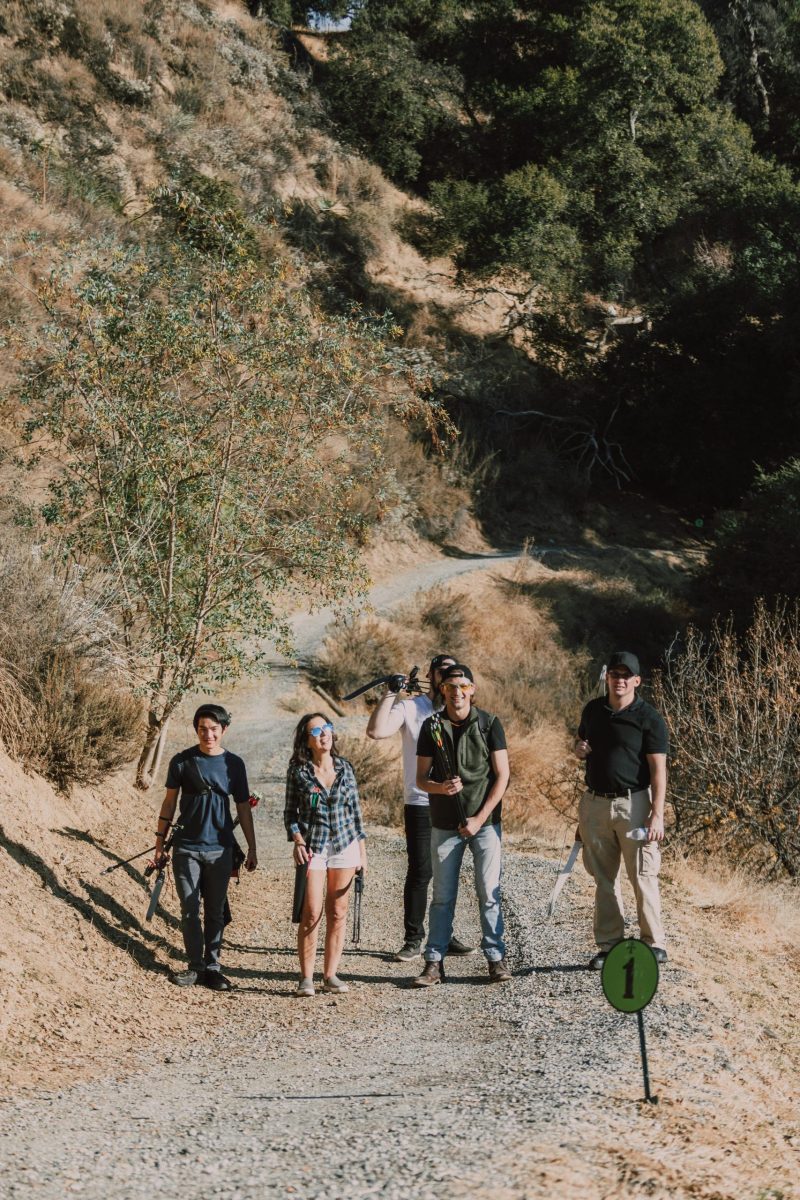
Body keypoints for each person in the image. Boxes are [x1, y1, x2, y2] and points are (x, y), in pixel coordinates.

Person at [366, 654, 475, 962]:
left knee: (448, 872)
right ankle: (413, 938)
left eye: (454, 674)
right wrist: (390, 692)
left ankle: (445, 934)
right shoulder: (412, 708)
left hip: (454, 802)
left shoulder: (460, 711)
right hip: (420, 800)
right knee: (420, 871)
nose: (447, 678)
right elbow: (375, 732)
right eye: (442, 671)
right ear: (431, 675)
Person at [412, 664, 511, 986]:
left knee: (489, 893)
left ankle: (496, 959)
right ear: (443, 691)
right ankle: (433, 963)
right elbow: (420, 779)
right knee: (442, 896)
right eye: (451, 687)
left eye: (463, 687)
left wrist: (479, 819)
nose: (457, 693)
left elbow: (502, 775)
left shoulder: (489, 724)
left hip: (484, 825)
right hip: (444, 824)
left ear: (473, 690)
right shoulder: (432, 727)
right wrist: (440, 788)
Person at [574, 651, 668, 969]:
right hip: (595, 803)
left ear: (637, 681)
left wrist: (657, 813)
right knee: (603, 878)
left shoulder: (649, 718)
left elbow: (659, 770)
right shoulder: (593, 710)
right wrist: (579, 749)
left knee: (642, 874)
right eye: (615, 674)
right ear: (608, 678)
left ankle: (653, 943)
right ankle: (609, 945)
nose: (620, 680)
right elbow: (581, 743)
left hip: (635, 804)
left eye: (626, 675)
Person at [153, 704, 257, 990]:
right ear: (196, 730)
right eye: (202, 729)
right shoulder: (182, 761)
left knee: (214, 911)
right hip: (186, 848)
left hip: (220, 849)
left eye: (213, 729)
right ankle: (195, 967)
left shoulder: (234, 764)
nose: (208, 734)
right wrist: (159, 845)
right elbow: (169, 803)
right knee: (189, 910)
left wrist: (252, 847)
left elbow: (243, 808)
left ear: (224, 729)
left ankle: (213, 966)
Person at [284, 712, 367, 997]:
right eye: (316, 730)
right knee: (311, 913)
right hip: (313, 847)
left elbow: (356, 814)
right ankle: (306, 978)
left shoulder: (345, 768)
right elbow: (290, 813)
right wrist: (296, 840)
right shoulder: (298, 771)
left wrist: (362, 853)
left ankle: (330, 974)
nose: (324, 734)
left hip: (345, 845)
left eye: (327, 728)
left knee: (338, 911)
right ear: (306, 740)